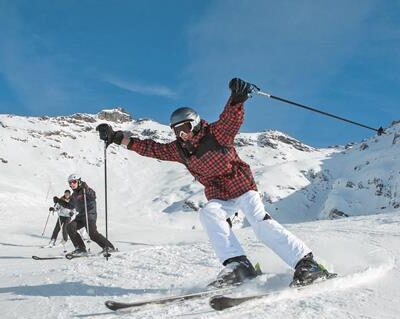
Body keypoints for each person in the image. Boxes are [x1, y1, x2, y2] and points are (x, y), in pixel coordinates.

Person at [96, 78, 332, 287]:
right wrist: (117, 138)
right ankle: (239, 266)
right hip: (218, 193)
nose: (182, 135)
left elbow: (230, 120)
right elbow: (151, 148)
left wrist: (236, 99)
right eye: (177, 131)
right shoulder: (180, 150)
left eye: (185, 128)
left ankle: (306, 264)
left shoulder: (216, 135)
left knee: (259, 222)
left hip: (241, 185)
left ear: (196, 123)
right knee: (209, 214)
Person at [54, 174, 115, 256]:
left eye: (74, 182)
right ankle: (80, 249)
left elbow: (93, 195)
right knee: (70, 227)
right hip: (81, 216)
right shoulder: (74, 195)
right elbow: (70, 206)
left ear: (79, 181)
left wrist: (86, 189)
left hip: (89, 214)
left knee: (92, 234)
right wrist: (59, 201)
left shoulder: (85, 189)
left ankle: (109, 247)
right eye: (70, 183)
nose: (72, 184)